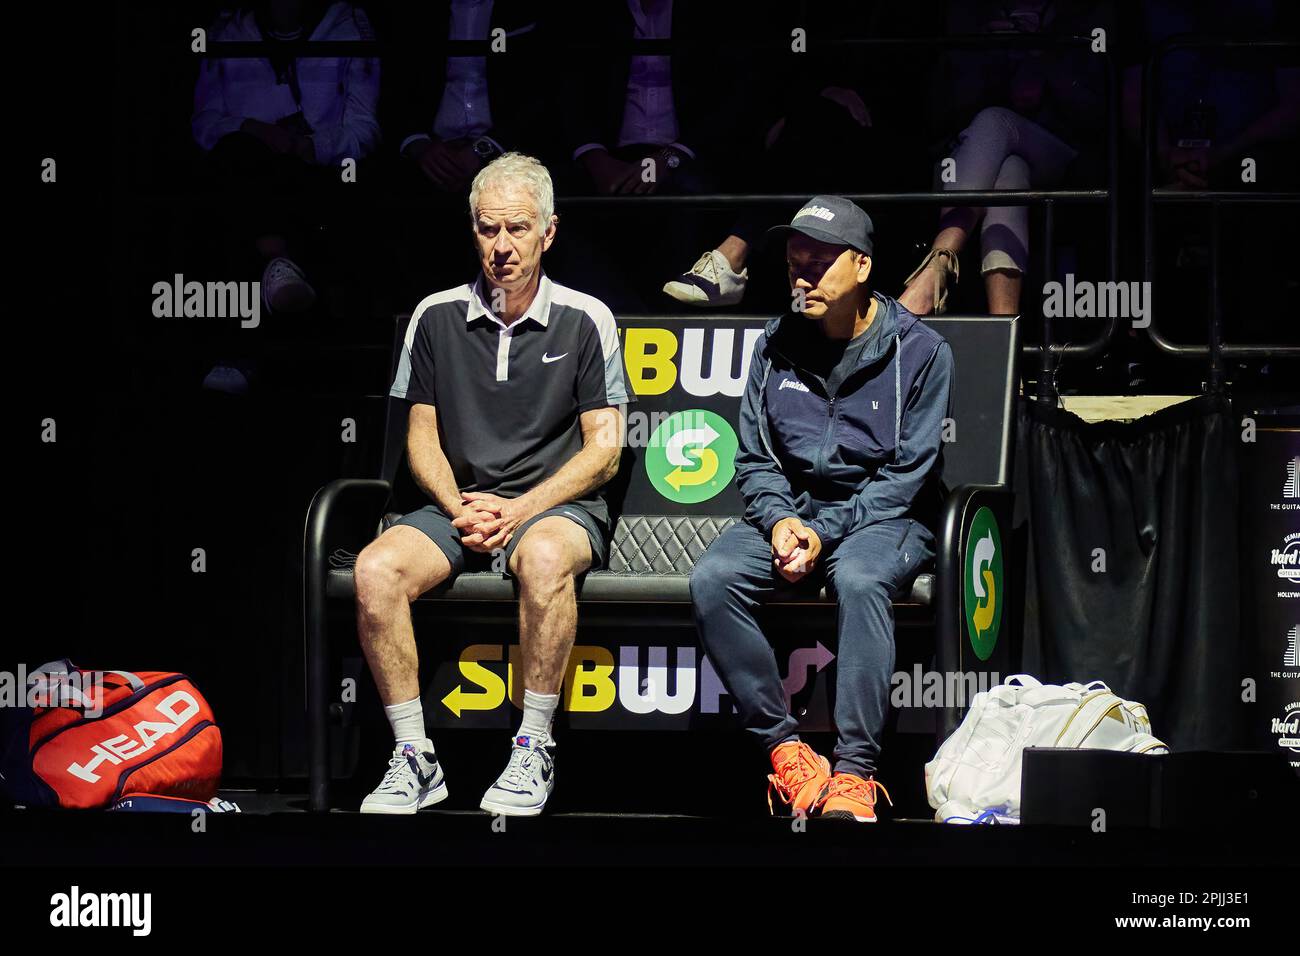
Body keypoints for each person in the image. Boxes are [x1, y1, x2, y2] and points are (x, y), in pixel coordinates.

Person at [353, 153, 634, 815]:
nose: (502, 246)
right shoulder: (435, 316)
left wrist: (521, 509)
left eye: (517, 229)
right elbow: (420, 437)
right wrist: (461, 508)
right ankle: (415, 757)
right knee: (374, 570)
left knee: (540, 556)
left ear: (549, 233)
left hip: (554, 506)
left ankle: (534, 746)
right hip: (460, 506)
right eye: (487, 229)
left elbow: (606, 450)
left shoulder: (586, 317)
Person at [690, 196, 952, 823]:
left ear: (861, 267)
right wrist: (783, 521)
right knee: (713, 579)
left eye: (819, 262)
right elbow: (752, 458)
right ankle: (786, 751)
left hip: (887, 515)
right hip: (796, 510)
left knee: (861, 579)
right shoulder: (775, 344)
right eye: (793, 263)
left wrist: (821, 530)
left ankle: (856, 774)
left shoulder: (921, 352)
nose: (802, 276)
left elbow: (906, 476)